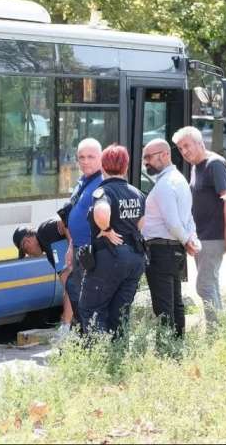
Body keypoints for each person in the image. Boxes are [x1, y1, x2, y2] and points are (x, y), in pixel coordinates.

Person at [172, 126, 226, 328]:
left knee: (204, 286)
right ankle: (220, 329)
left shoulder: (215, 164)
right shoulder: (195, 166)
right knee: (211, 284)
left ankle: (214, 334)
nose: (184, 151)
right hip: (201, 237)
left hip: (214, 237)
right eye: (180, 148)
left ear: (200, 142)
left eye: (186, 146)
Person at [78, 144, 146, 336]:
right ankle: (119, 356)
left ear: (103, 166)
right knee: (120, 313)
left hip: (109, 258)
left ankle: (98, 357)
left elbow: (101, 211)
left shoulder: (103, 192)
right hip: (135, 259)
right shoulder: (137, 193)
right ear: (125, 167)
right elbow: (141, 224)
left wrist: (106, 229)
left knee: (91, 310)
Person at [141, 138, 199, 338]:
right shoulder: (178, 179)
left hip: (161, 250)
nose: (146, 162)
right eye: (144, 157)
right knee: (175, 301)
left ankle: (169, 350)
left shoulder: (166, 183)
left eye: (149, 157)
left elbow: (173, 222)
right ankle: (177, 346)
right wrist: (189, 239)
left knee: (164, 305)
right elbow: (188, 217)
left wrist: (187, 240)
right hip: (172, 249)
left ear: (165, 155)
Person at [64, 138, 104, 318]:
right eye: (81, 157)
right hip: (78, 247)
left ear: (101, 157)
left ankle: (91, 338)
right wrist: (71, 246)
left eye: (90, 156)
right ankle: (83, 335)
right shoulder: (83, 180)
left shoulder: (103, 182)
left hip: (92, 250)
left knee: (88, 297)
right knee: (74, 290)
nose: (85, 161)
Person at [13, 217, 73, 337]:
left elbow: (65, 222)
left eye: (26, 251)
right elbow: (68, 284)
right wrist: (66, 319)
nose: (29, 254)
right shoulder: (49, 250)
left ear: (27, 242)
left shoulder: (44, 231)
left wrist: (72, 246)